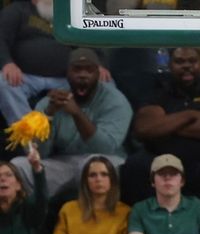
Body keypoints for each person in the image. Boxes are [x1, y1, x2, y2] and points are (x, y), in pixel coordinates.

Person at [123, 47, 200, 229]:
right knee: (135, 165)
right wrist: (190, 115)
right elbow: (144, 128)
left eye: (192, 61)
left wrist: (167, 124)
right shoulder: (157, 91)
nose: (186, 66)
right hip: (160, 156)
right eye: (180, 61)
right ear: (169, 64)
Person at [9, 48, 132, 197]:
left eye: (89, 70)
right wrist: (49, 115)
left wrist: (77, 114)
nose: (82, 75)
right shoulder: (51, 101)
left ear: (98, 74)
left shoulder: (116, 101)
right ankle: (38, 215)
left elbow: (104, 147)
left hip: (106, 163)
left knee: (90, 165)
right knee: (19, 165)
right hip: (64, 164)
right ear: (67, 74)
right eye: (77, 70)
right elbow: (37, 153)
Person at [0, 0, 69, 125]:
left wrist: (98, 63)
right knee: (2, 82)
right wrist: (6, 63)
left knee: (103, 83)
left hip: (64, 80)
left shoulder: (69, 14)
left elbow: (88, 41)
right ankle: (28, 135)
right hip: (25, 77)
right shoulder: (17, 10)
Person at [0, 148, 45, 234]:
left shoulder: (28, 209)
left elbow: (41, 200)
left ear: (19, 185)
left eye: (8, 175)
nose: (2, 179)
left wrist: (37, 168)